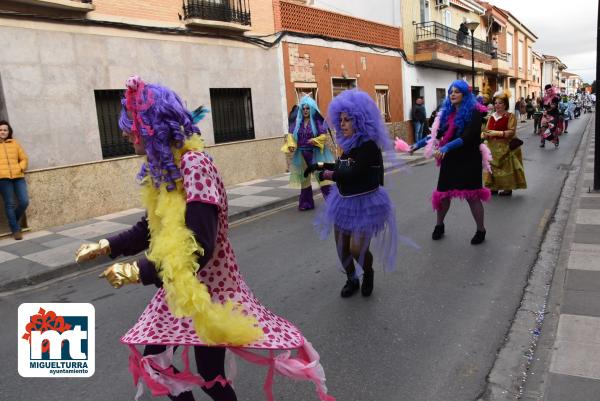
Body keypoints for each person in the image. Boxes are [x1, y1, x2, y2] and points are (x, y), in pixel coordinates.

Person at [75, 77, 333, 401]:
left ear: (153, 125)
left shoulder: (195, 164)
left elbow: (200, 245)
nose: (125, 132)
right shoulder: (166, 168)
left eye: (132, 125)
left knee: (210, 374)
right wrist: (106, 246)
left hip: (211, 292)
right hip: (179, 286)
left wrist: (137, 271)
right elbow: (148, 228)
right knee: (157, 364)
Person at [306, 89, 399, 298]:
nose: (343, 124)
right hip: (345, 201)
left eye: (348, 120)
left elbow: (351, 171)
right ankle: (351, 278)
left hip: (366, 203)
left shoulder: (369, 147)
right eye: (341, 120)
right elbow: (343, 164)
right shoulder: (348, 145)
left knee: (357, 248)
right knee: (341, 247)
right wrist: (318, 164)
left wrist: (328, 173)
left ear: (360, 121)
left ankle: (368, 272)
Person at [410, 79, 490, 244]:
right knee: (443, 195)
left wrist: (446, 148)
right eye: (450, 92)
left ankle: (481, 230)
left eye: (457, 91)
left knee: (473, 196)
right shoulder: (448, 113)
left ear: (465, 94)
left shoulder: (475, 112)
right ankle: (439, 225)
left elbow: (467, 137)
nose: (452, 94)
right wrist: (415, 145)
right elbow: (436, 135)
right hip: (451, 161)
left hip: (469, 159)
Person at [282, 96, 334, 210]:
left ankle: (332, 203)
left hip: (316, 153)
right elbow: (291, 134)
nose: (305, 110)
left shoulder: (317, 120)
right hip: (301, 154)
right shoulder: (298, 122)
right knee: (304, 180)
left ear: (311, 109)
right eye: (303, 108)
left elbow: (323, 135)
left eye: (307, 108)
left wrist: (315, 140)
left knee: (322, 178)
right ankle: (306, 203)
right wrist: (291, 145)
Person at [482, 91, 527, 196]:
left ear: (505, 104)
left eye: (500, 103)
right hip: (492, 147)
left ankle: (507, 189)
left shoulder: (510, 116)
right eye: (496, 103)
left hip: (505, 147)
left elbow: (512, 132)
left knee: (505, 169)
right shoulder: (491, 117)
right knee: (492, 168)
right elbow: (487, 130)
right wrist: (485, 135)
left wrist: (498, 133)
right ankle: (494, 187)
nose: (497, 105)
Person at [0, 120, 29, 240]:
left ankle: (13, 223)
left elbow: (24, 159)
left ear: (9, 131)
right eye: (0, 130)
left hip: (18, 177)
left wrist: (20, 167)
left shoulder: (15, 143)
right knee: (10, 204)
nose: (2, 132)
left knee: (24, 201)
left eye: (5, 130)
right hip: (3, 179)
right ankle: (16, 230)